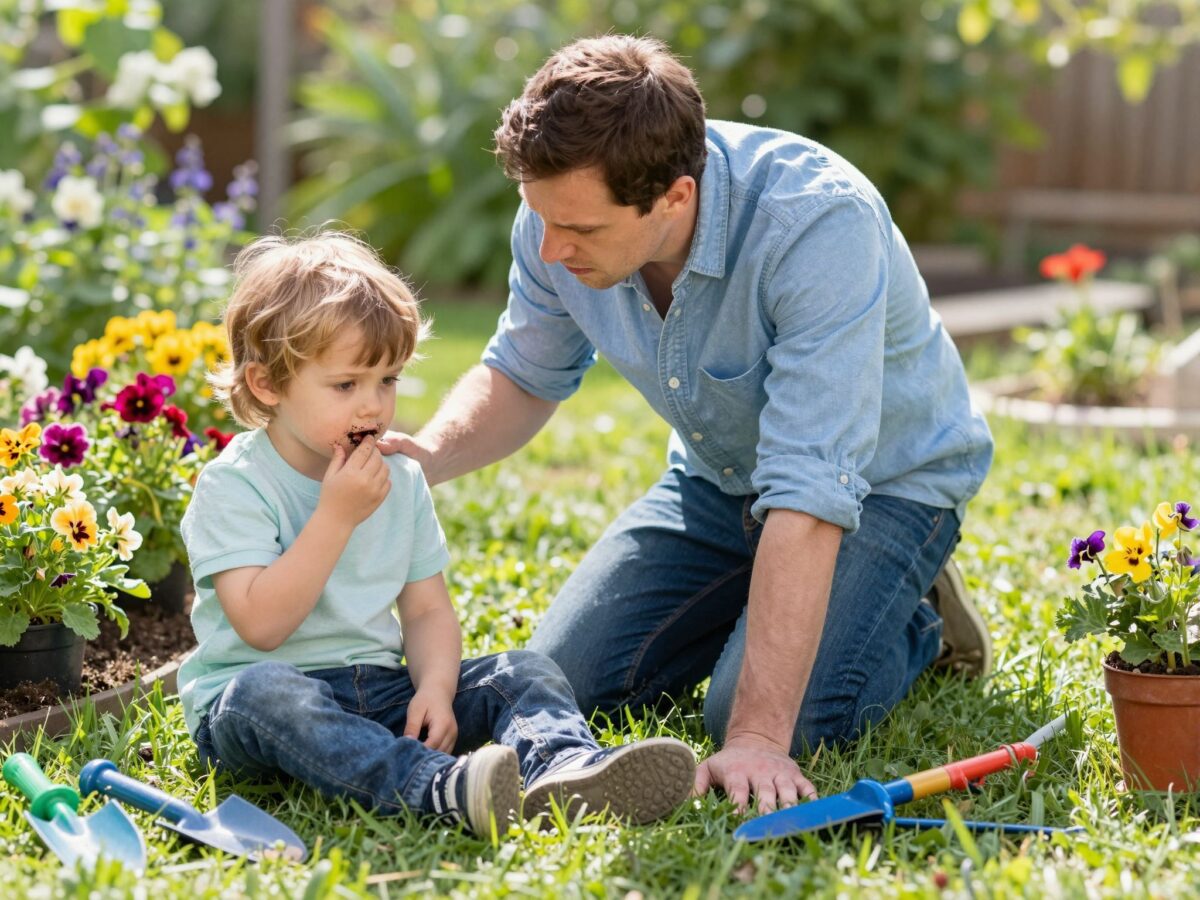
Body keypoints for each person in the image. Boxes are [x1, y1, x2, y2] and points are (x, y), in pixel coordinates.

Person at [380, 35, 995, 814]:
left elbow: (810, 490)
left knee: (767, 719)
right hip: (716, 482)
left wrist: (759, 737)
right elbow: (522, 373)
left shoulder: (817, 225)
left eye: (583, 232)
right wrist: (422, 455)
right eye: (540, 218)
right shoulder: (559, 213)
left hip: (880, 486)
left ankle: (917, 619)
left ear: (675, 195)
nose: (551, 248)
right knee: (561, 681)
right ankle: (770, 602)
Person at [177, 231, 696, 836]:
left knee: (519, 670)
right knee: (266, 694)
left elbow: (425, 610)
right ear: (268, 385)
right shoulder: (235, 485)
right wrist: (335, 516)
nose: (372, 406)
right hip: (255, 707)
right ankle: (434, 786)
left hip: (374, 691)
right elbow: (261, 627)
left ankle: (566, 767)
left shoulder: (398, 478)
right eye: (346, 385)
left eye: (388, 380)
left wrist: (436, 688)